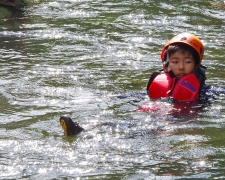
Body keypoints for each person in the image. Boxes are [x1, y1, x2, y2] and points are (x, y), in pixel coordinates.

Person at [60, 32, 208, 136]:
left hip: (178, 120)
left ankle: (92, 136)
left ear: (196, 65)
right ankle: (86, 130)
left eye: (187, 62)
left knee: (143, 130)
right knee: (129, 121)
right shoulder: (161, 81)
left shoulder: (202, 89)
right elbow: (145, 95)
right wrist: (119, 97)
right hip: (156, 111)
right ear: (166, 64)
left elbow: (216, 95)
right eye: (175, 62)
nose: (181, 67)